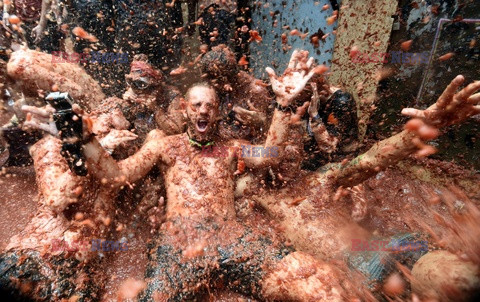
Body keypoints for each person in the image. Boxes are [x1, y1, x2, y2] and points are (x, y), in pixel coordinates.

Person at [27, 51, 353, 300]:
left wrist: (283, 108)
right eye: (196, 105)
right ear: (184, 108)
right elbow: (116, 175)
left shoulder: (232, 148)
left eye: (209, 107)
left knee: (317, 280)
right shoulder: (163, 145)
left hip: (232, 239)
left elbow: (271, 156)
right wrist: (84, 140)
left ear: (217, 111)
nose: (203, 112)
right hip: (179, 242)